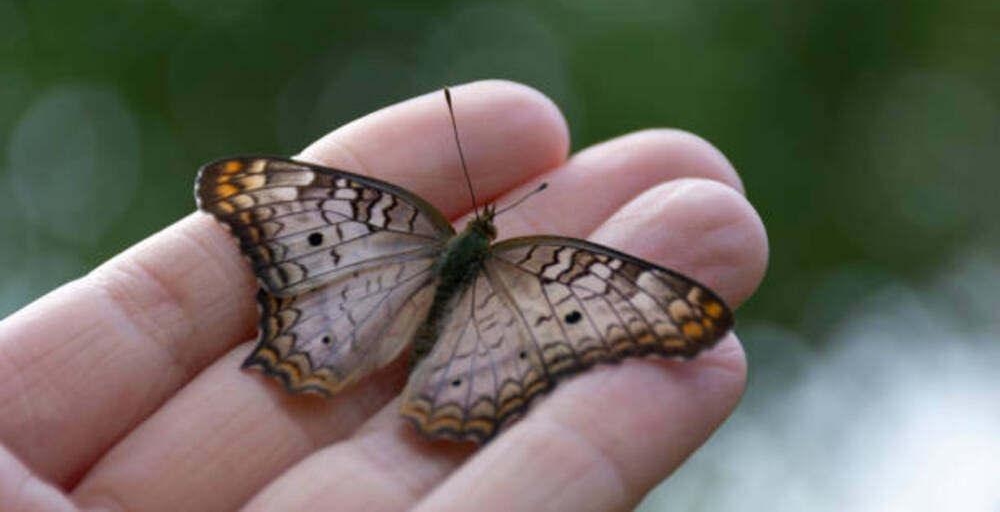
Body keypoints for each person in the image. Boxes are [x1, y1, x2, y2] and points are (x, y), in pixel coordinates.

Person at [0, 80, 767, 511]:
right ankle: (430, 390)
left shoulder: (400, 222)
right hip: (482, 341)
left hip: (354, 307)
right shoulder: (547, 264)